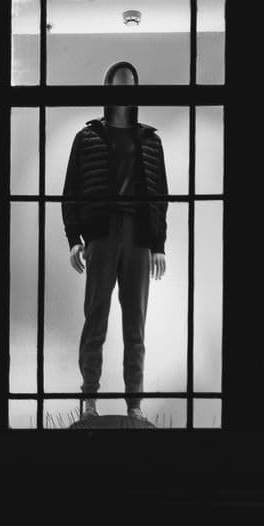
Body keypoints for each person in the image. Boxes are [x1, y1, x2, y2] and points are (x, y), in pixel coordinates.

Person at [63, 63, 168, 420]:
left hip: (138, 236)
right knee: (96, 317)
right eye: (117, 85)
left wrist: (159, 244)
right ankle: (89, 399)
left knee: (134, 323)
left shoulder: (150, 140)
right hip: (102, 234)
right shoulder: (88, 137)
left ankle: (134, 405)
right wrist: (74, 240)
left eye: (130, 86)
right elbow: (71, 191)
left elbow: (160, 195)